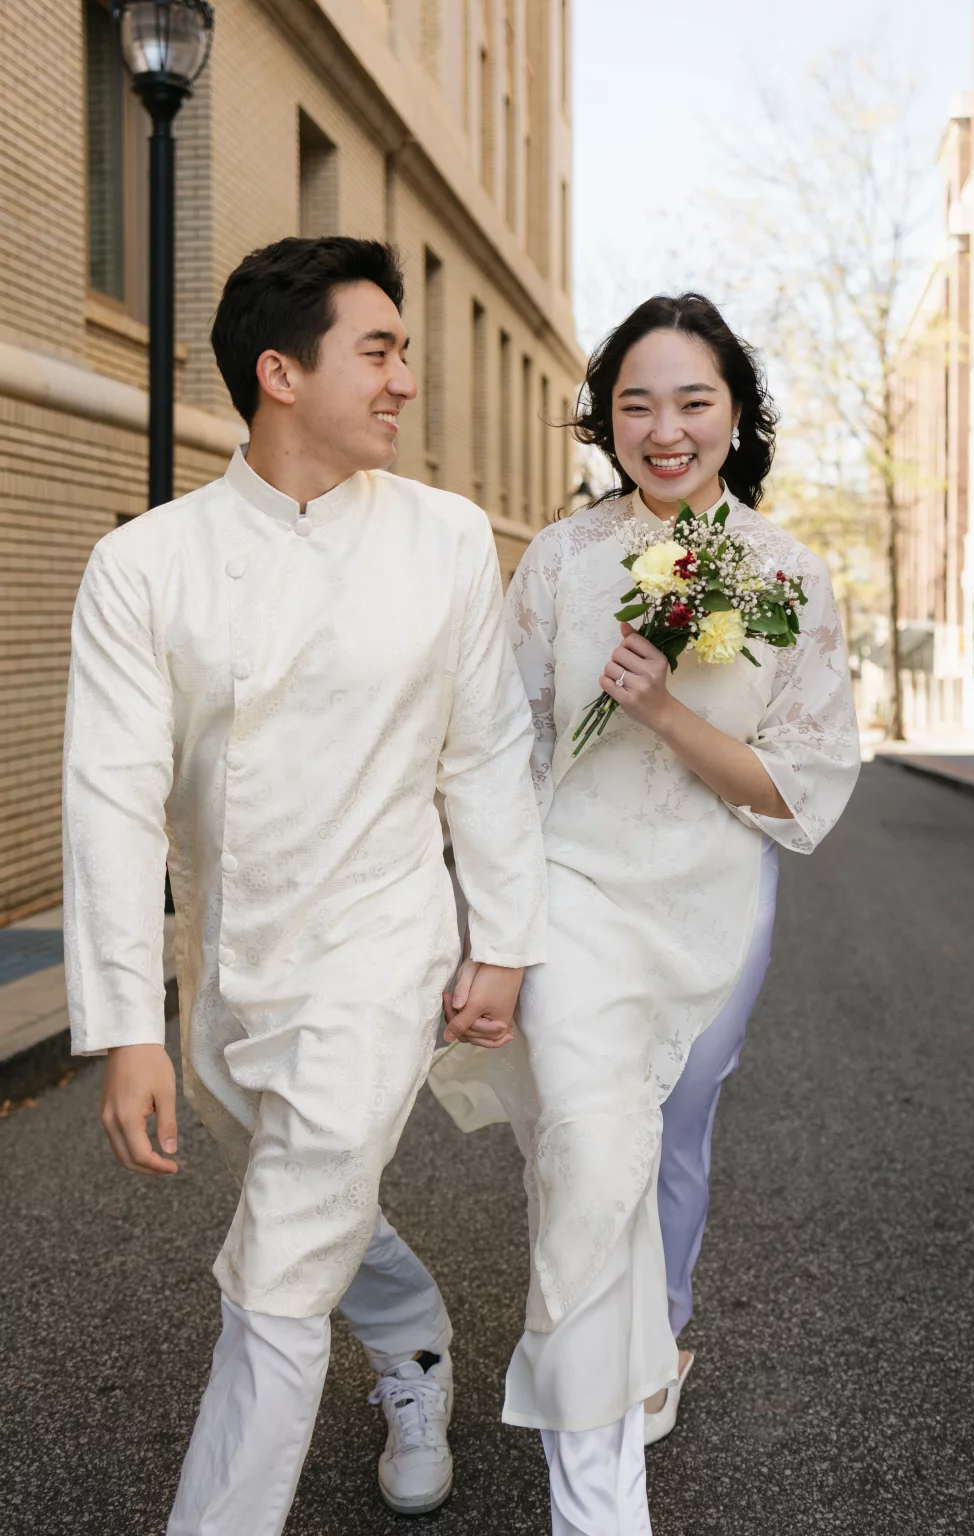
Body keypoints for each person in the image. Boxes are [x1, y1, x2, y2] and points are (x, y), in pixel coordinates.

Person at [62, 236, 546, 1535]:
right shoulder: (144, 568)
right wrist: (124, 1028)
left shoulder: (446, 540)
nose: (404, 380)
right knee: (308, 1203)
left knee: (277, 1273)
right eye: (377, 350)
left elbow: (489, 750)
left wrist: (498, 937)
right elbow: (109, 795)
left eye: (403, 352)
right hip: (227, 968)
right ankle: (413, 1338)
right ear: (281, 372)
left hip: (383, 952)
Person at [432, 292, 860, 1534]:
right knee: (587, 1141)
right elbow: (503, 749)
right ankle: (596, 1491)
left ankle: (652, 1332)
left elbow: (801, 787)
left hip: (715, 900)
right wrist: (490, 924)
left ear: (735, 414)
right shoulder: (561, 560)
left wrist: (668, 707)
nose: (663, 430)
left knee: (669, 1132)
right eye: (635, 403)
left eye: (692, 402)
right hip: (570, 891)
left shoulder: (786, 575)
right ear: (603, 418)